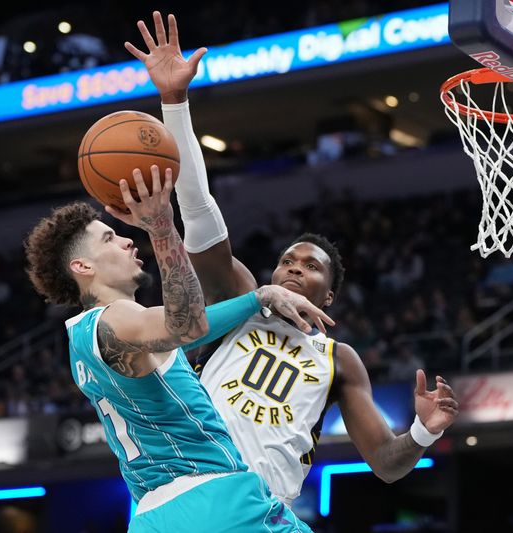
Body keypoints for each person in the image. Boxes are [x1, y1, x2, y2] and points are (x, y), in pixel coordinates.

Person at [125, 12, 460, 505]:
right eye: (287, 261)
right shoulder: (240, 296)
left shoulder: (339, 360)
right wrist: (175, 101)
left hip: (266, 510)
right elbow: (197, 209)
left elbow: (387, 464)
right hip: (198, 488)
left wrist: (425, 432)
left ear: (329, 295)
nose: (295, 268)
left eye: (311, 265)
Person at [24, 167, 331, 531]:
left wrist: (259, 297)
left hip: (154, 517)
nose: (126, 241)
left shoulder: (92, 336)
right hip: (213, 500)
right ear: (82, 266)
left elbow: (188, 330)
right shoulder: (116, 317)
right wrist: (161, 226)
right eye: (108, 238)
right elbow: (187, 325)